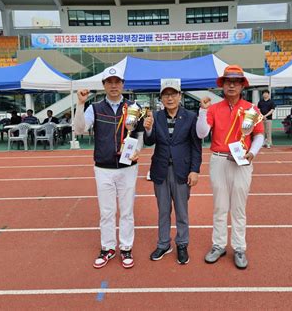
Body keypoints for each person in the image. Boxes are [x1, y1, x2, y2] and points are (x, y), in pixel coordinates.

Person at [74, 67, 144, 270]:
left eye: (117, 81)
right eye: (109, 82)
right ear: (104, 85)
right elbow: (80, 129)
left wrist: (137, 150)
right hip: (103, 167)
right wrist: (80, 104)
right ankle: (107, 248)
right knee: (107, 211)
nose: (114, 85)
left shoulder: (134, 107)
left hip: (128, 167)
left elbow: (139, 135)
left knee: (127, 210)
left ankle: (126, 248)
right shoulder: (94, 108)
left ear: (122, 84)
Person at [196, 65, 264, 269]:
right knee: (219, 206)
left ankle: (239, 247)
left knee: (239, 207)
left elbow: (259, 134)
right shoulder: (214, 108)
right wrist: (202, 111)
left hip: (242, 161)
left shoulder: (252, 109)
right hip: (218, 159)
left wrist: (252, 153)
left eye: (236, 81)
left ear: (242, 85)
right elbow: (201, 133)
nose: (232, 85)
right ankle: (218, 244)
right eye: (228, 81)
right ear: (222, 85)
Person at [143, 79, 202, 265]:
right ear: (161, 97)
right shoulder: (156, 117)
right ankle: (163, 243)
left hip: (182, 171)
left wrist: (194, 170)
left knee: (182, 212)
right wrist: (149, 128)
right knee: (163, 210)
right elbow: (150, 142)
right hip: (160, 169)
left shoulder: (191, 117)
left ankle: (182, 244)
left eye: (173, 94)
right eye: (166, 95)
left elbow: (196, 147)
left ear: (180, 95)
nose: (170, 98)